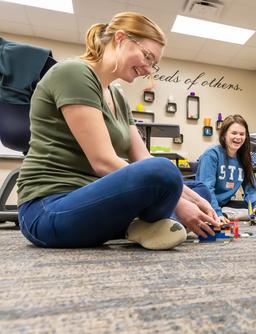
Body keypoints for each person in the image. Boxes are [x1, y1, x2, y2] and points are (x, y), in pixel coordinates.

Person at [16, 12, 218, 250]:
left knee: (198, 188)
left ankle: (141, 225)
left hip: (94, 201)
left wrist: (196, 200)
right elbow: (103, 162)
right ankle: (148, 223)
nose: (149, 69)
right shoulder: (73, 73)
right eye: (147, 56)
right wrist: (178, 203)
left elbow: (142, 157)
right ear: (121, 38)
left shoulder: (118, 95)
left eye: (154, 63)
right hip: (49, 209)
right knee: (164, 173)